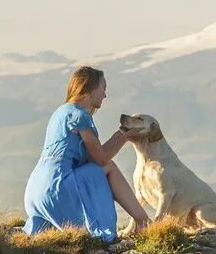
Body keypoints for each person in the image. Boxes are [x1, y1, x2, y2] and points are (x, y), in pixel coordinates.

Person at [23, 66, 152, 241]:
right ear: (90, 88)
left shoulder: (61, 112)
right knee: (109, 167)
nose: (105, 95)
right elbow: (100, 159)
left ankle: (141, 221)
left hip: (36, 191)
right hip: (58, 187)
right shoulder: (80, 116)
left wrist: (121, 135)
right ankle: (143, 221)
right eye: (103, 88)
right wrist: (125, 138)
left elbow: (91, 157)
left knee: (101, 168)